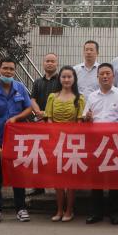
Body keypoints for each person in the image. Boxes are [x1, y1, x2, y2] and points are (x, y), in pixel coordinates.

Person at [0, 57, 33, 224]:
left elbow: (29, 108)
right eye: (5, 68)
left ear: (15, 71)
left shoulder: (20, 88)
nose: (8, 72)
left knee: (18, 175)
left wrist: (16, 118)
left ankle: (21, 208)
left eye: (11, 69)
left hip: (17, 143)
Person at [83, 63, 118, 225]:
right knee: (96, 177)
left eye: (108, 73)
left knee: (114, 178)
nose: (105, 76)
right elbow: (86, 117)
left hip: (115, 141)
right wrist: (87, 118)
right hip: (97, 142)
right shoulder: (92, 96)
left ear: (113, 76)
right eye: (102, 74)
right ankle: (96, 212)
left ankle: (114, 212)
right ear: (97, 77)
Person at [45, 66, 85, 223]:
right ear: (59, 79)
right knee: (58, 179)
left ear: (74, 79)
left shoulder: (79, 98)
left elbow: (80, 122)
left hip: (72, 143)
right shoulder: (52, 97)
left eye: (69, 77)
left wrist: (70, 137)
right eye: (64, 77)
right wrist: (55, 135)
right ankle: (59, 210)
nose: (66, 79)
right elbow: (49, 119)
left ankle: (69, 210)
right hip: (55, 142)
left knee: (70, 179)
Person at [30, 53, 61, 120]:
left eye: (52, 61)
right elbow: (33, 99)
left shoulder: (62, 81)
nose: (50, 63)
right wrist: (38, 112)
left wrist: (46, 113)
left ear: (57, 64)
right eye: (47, 61)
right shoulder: (37, 82)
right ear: (43, 64)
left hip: (57, 119)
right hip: (40, 119)